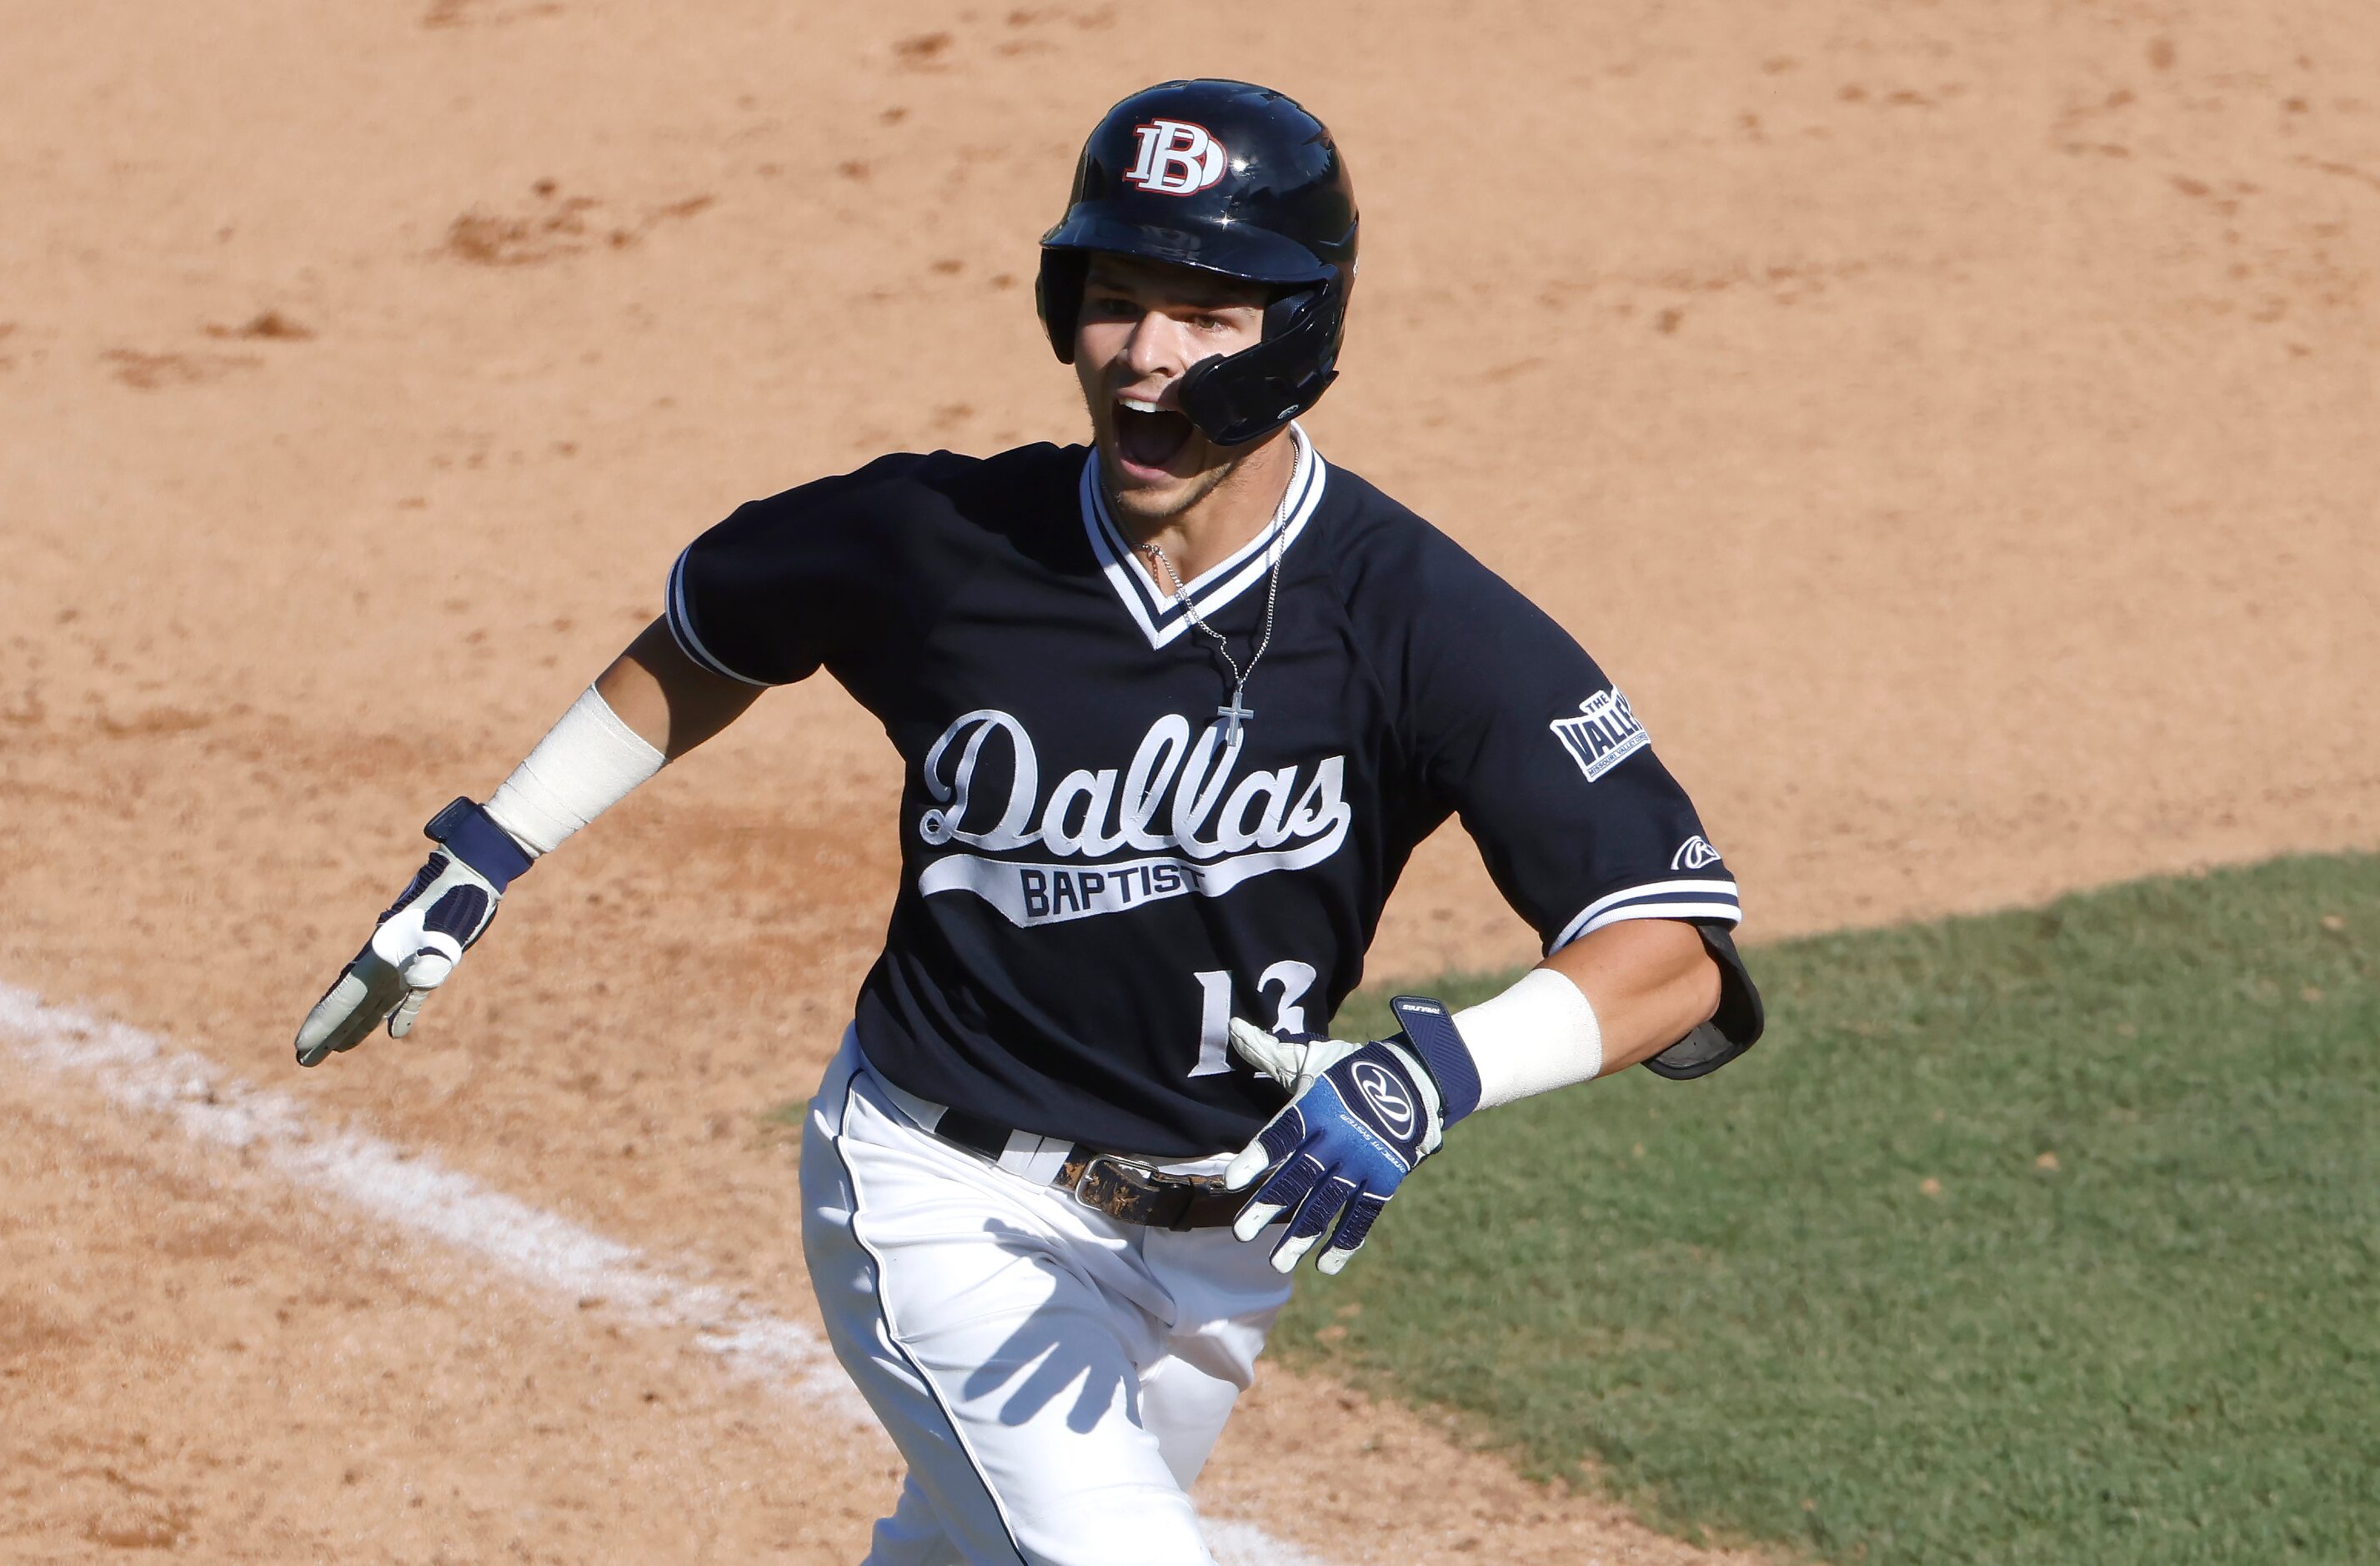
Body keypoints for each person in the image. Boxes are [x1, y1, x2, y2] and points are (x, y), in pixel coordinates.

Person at [293, 78, 1763, 1566]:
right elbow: (715, 630)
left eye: (1207, 316)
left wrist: (1435, 1074)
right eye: (1117, 300)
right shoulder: (939, 542)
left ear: (1300, 335)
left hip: (1221, 1243)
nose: (1145, 356)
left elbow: (1672, 950)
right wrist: (494, 845)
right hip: (942, 1195)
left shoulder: (1418, 618)